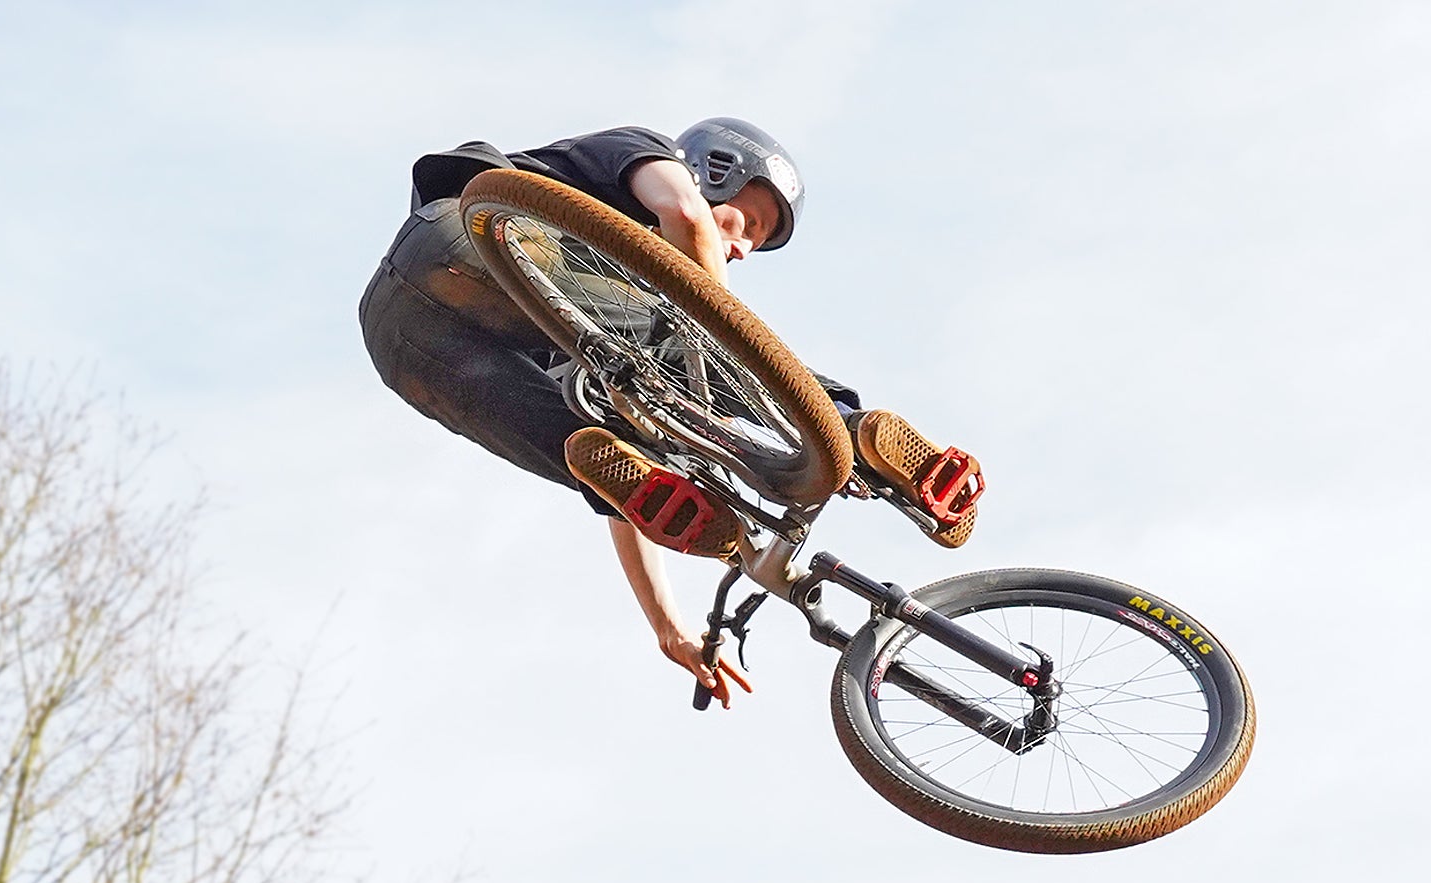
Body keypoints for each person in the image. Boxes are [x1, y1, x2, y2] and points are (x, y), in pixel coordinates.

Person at [359, 119, 979, 702]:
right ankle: (855, 429)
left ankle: (759, 478)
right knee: (692, 343)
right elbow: (685, 215)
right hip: (469, 240)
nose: (739, 249)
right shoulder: (642, 150)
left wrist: (668, 626)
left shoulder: (593, 329)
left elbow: (620, 491)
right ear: (717, 169)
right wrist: (726, 332)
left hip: (404, 343)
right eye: (748, 223)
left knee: (591, 444)